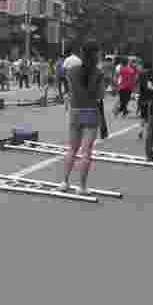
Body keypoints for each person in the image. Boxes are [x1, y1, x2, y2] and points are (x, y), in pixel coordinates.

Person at [59, 42, 104, 195]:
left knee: (72, 148)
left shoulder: (71, 71)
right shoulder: (98, 73)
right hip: (91, 111)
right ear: (95, 54)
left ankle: (64, 182)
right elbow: (100, 96)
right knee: (86, 151)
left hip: (75, 110)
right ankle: (82, 187)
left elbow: (70, 90)